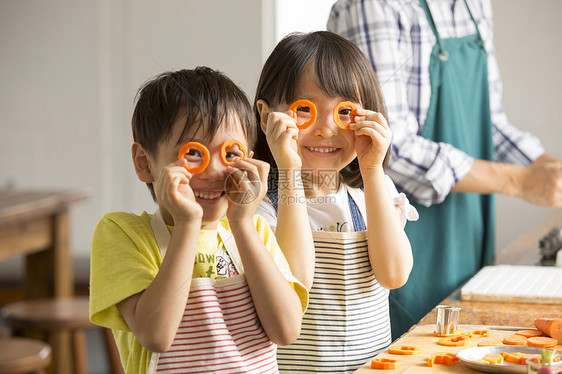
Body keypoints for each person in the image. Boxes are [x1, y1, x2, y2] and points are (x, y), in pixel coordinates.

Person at [327, 0, 562, 339]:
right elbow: (391, 144)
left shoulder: (474, 4)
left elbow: (490, 122)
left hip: (466, 228)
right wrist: (518, 180)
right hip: (407, 236)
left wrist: (543, 166)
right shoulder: (373, 6)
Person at [89, 67, 309, 374]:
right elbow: (156, 335)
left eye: (231, 154)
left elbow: (286, 330)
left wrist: (242, 224)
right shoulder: (122, 233)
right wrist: (188, 225)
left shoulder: (254, 228)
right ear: (144, 163)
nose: (214, 171)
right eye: (194, 153)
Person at [253, 31, 419, 373]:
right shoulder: (259, 207)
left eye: (344, 113)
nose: (327, 129)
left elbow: (394, 275)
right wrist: (289, 171)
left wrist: (373, 170)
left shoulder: (372, 193)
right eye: (305, 110)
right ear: (266, 115)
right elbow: (293, 282)